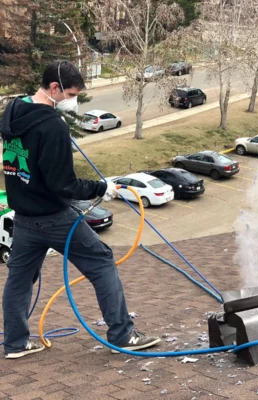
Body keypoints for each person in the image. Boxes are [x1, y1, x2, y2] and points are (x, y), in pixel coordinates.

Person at [0, 60, 160, 359]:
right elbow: (64, 184)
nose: (72, 100)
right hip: (54, 218)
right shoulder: (52, 126)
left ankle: (16, 344)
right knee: (101, 262)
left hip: (23, 218)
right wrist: (103, 188)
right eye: (70, 94)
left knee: (18, 281)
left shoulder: (14, 110)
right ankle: (123, 335)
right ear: (54, 88)